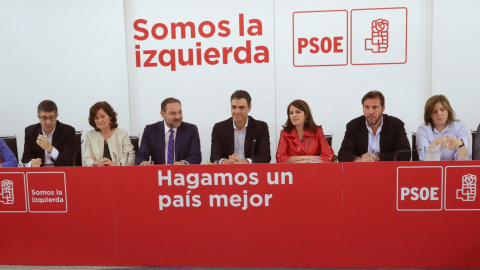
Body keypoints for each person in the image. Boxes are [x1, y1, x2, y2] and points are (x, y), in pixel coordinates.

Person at [338, 90, 411, 162]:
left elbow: (405, 154)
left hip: (387, 170)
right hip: (361, 170)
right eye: (367, 107)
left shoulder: (396, 125)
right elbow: (343, 154)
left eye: (375, 107)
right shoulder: (353, 126)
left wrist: (377, 158)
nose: (370, 112)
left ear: (383, 108)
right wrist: (359, 160)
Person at [210, 90, 271, 164]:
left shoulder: (261, 127)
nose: (237, 111)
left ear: (249, 108)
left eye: (241, 107)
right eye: (234, 107)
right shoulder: (219, 128)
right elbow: (214, 156)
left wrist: (245, 162)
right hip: (226, 172)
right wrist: (225, 161)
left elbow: (265, 156)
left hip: (252, 172)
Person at [135, 97, 201, 165]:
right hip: (159, 174)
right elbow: (141, 155)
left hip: (181, 174)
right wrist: (143, 162)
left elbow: (196, 156)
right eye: (173, 113)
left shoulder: (191, 130)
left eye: (180, 112)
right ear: (162, 114)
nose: (178, 117)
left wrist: (183, 163)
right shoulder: (151, 130)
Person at [22, 100, 75, 167]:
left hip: (60, 171)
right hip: (39, 173)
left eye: (51, 117)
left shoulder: (68, 131)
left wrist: (50, 149)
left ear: (56, 116)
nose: (48, 122)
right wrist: (31, 164)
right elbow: (25, 159)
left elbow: (68, 161)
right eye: (44, 118)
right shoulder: (30, 131)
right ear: (39, 117)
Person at [416, 95, 470, 160]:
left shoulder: (459, 126)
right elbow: (424, 159)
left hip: (454, 168)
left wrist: (461, 144)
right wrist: (435, 143)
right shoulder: (423, 129)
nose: (439, 114)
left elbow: (464, 160)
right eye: (434, 112)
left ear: (448, 110)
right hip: (432, 169)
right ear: (430, 115)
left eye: (442, 110)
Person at [84, 101, 135, 166]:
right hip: (97, 173)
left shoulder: (122, 134)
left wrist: (114, 164)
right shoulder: (90, 135)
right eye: (96, 118)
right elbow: (87, 159)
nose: (99, 121)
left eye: (103, 117)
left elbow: (131, 159)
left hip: (118, 173)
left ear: (110, 117)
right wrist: (94, 163)